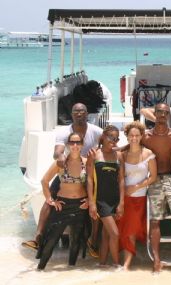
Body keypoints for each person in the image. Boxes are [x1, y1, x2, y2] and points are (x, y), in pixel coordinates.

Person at [22, 103, 102, 254]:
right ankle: (38, 238)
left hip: (87, 172)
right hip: (68, 170)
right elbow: (57, 151)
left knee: (94, 202)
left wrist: (99, 151)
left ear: (87, 114)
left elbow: (108, 140)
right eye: (76, 111)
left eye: (82, 111)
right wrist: (60, 158)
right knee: (49, 200)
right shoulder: (64, 132)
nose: (79, 114)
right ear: (71, 114)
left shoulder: (96, 130)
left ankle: (93, 240)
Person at [36, 132, 90, 270]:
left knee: (76, 240)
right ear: (68, 145)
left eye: (78, 143)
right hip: (62, 206)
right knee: (51, 240)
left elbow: (93, 184)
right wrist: (50, 200)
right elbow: (44, 181)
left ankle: (70, 270)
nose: (75, 145)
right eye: (72, 142)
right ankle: (40, 270)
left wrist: (90, 200)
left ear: (82, 144)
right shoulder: (60, 163)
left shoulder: (87, 162)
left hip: (80, 206)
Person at [141, 103, 171, 273]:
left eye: (165, 112)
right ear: (154, 114)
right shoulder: (146, 136)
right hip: (154, 179)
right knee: (155, 220)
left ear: (168, 115)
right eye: (159, 112)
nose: (162, 115)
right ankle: (156, 260)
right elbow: (131, 147)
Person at [117, 121, 157, 270]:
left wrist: (136, 187)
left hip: (139, 198)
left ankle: (126, 265)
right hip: (123, 198)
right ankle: (116, 261)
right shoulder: (122, 154)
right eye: (131, 135)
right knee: (121, 230)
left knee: (131, 231)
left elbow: (153, 177)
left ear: (141, 136)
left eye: (137, 135)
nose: (134, 138)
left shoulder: (148, 154)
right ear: (127, 136)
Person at [87, 125, 125, 267]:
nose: (113, 141)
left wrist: (121, 203)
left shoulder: (119, 156)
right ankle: (116, 264)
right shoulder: (94, 154)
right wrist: (91, 203)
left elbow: (121, 180)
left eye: (116, 139)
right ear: (103, 136)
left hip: (114, 199)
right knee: (115, 234)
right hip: (101, 200)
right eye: (110, 137)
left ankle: (102, 264)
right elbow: (90, 180)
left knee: (106, 234)